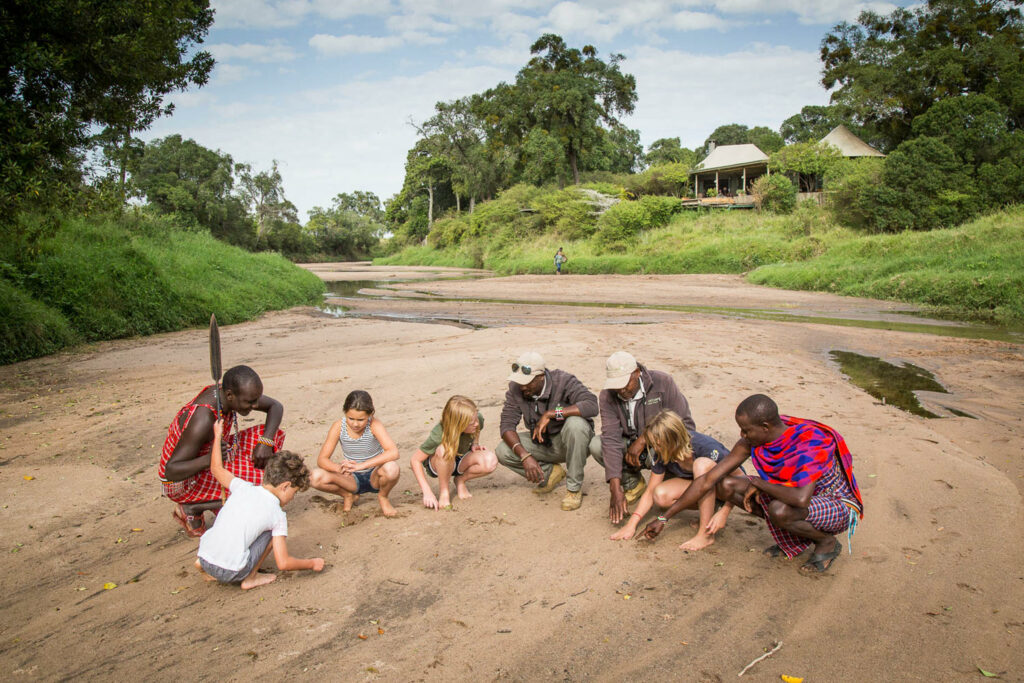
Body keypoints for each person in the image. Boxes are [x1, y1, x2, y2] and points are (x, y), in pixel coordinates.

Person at [642, 394, 864, 574]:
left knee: (779, 509)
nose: (741, 434)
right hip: (797, 499)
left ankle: (826, 542)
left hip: (836, 503)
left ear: (765, 427)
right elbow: (708, 480)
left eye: (746, 430)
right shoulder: (754, 439)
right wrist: (663, 518)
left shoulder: (809, 442)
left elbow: (800, 498)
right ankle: (796, 537)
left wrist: (759, 483)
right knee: (725, 485)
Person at [592, 351, 722, 526]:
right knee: (597, 444)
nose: (621, 390)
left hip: (660, 446)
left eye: (624, 384)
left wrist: (644, 440)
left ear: (637, 373)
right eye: (616, 386)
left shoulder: (663, 382)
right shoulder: (607, 396)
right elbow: (611, 439)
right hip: (634, 447)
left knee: (666, 492)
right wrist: (614, 487)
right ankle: (632, 484)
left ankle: (707, 500)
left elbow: (683, 426)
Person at [194, 418, 324, 590]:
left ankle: (204, 565)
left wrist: (218, 436)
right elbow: (283, 563)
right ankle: (251, 577)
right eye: (295, 492)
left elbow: (216, 469)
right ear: (285, 486)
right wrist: (312, 563)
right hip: (232, 571)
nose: (292, 498)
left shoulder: (242, 487)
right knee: (271, 533)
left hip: (204, 557)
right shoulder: (277, 515)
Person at [159, 365, 285, 537]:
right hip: (182, 481)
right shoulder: (203, 419)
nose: (255, 405)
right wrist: (210, 459)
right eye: (250, 402)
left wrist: (266, 441)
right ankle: (192, 506)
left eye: (256, 400)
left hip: (212, 456)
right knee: (256, 491)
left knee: (268, 443)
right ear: (229, 395)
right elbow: (171, 470)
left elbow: (275, 406)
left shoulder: (227, 394)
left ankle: (213, 501)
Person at [609, 410, 740, 551]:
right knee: (660, 495)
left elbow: (739, 477)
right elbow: (650, 491)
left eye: (658, 444)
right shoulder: (661, 453)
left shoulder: (705, 447)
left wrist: (725, 511)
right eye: (653, 444)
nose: (655, 448)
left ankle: (705, 535)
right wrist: (631, 525)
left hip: (726, 488)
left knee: (701, 465)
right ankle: (708, 512)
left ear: (673, 440)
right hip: (702, 488)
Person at [495, 351, 599, 511]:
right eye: (520, 382)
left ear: (541, 377)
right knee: (503, 450)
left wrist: (552, 414)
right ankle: (551, 473)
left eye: (527, 382)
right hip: (543, 443)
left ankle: (573, 489)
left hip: (573, 442)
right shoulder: (516, 388)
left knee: (576, 424)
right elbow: (507, 425)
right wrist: (524, 456)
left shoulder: (564, 380)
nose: (522, 386)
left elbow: (591, 404)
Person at [310, 390, 401, 517]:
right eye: (350, 418)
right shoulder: (338, 426)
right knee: (314, 477)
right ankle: (347, 495)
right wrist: (340, 469)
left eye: (361, 419)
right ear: (345, 413)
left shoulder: (374, 424)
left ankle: (383, 497)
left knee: (392, 468)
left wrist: (361, 466)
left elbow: (393, 452)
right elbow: (322, 460)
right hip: (351, 477)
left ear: (370, 415)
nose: (355, 424)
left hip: (375, 475)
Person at [411, 395, 497, 510]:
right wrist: (427, 492)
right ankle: (444, 491)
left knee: (490, 460)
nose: (476, 423)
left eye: (476, 419)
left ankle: (460, 480)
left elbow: (478, 428)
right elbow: (415, 460)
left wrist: (475, 443)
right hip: (440, 463)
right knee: (444, 450)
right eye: (471, 423)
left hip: (461, 458)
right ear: (458, 424)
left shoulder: (477, 419)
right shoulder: (439, 433)